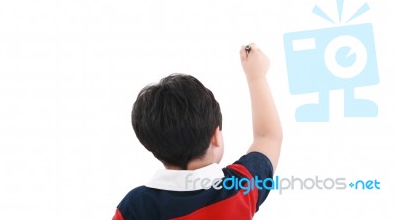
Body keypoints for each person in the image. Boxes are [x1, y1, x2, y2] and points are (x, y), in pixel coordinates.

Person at [112, 44, 283, 220]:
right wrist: (256, 76)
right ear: (215, 137)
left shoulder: (135, 207)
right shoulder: (240, 187)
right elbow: (268, 137)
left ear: (151, 144)